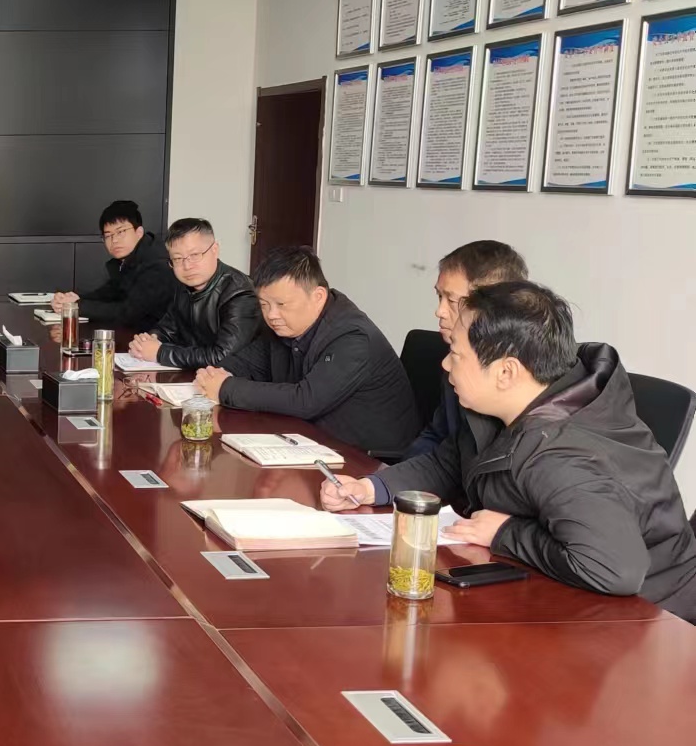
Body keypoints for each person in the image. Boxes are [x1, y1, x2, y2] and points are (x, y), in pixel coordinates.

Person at [320, 282, 696, 620]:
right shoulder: (506, 405)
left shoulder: (561, 454)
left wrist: (505, 532)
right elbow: (450, 461)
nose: (445, 363)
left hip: (642, 619)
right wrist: (372, 488)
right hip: (552, 584)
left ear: (506, 372)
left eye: (456, 354)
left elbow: (615, 569)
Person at [193, 246, 421, 454]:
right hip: (308, 442)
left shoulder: (353, 337)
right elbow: (245, 362)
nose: (271, 315)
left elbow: (306, 401)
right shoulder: (284, 326)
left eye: (282, 304)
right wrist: (212, 375)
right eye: (264, 304)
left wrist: (225, 388)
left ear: (318, 297)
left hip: (369, 461)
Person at [408, 240, 529, 458]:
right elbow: (438, 438)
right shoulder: (456, 359)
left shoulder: (523, 380)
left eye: (452, 300)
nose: (439, 311)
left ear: (493, 305)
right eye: (439, 296)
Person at [127, 217, 261, 368]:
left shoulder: (240, 292)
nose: (187, 266)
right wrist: (148, 341)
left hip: (234, 378)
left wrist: (160, 353)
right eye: (178, 259)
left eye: (195, 255)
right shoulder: (183, 285)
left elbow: (223, 357)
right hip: (196, 375)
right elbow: (168, 328)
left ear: (215, 250)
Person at [51, 199, 178, 334]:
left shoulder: (156, 264)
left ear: (139, 232)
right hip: (137, 334)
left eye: (121, 232)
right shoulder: (129, 258)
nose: (114, 240)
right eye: (108, 235)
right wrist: (74, 299)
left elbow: (130, 313)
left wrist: (78, 306)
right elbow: (110, 293)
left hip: (159, 339)